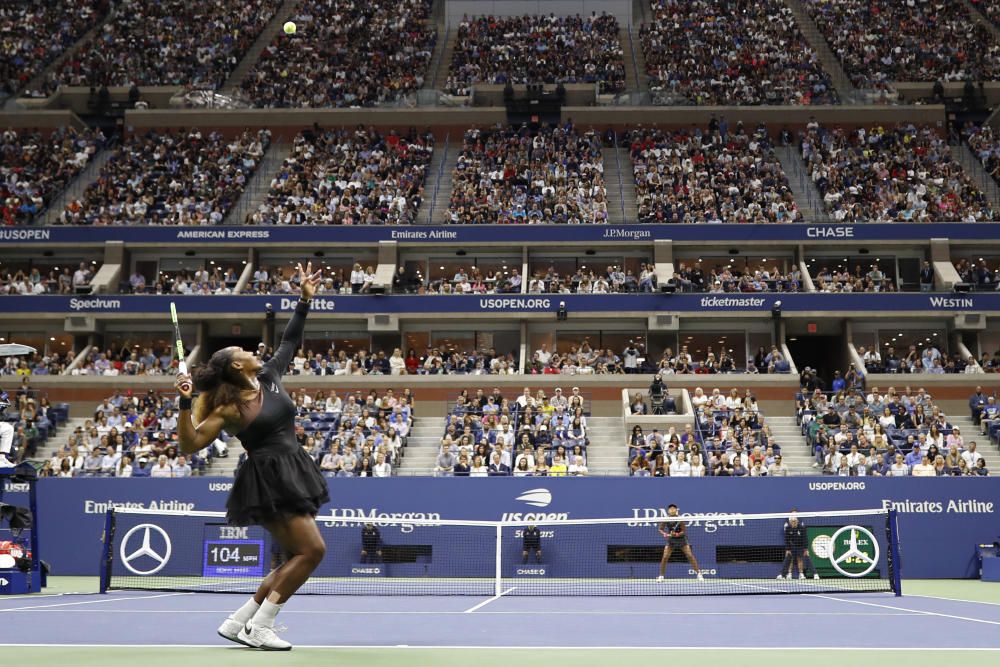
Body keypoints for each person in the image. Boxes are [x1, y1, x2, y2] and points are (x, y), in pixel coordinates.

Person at [176, 262, 328, 651]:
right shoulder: (228, 411)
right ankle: (261, 626)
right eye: (242, 350)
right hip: (269, 478)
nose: (251, 350)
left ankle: (238, 621)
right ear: (236, 366)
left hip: (294, 467)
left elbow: (290, 342)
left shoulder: (270, 377)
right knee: (313, 551)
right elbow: (190, 445)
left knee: (297, 554)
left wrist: (304, 302)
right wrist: (183, 403)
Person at [656, 504, 704, 582]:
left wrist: (677, 534)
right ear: (668, 511)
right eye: (670, 509)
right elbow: (660, 529)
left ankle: (699, 574)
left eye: (673, 508)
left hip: (682, 539)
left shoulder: (680, 519)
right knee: (665, 557)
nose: (672, 510)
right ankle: (661, 576)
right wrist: (665, 534)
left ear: (676, 510)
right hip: (671, 540)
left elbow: (684, 531)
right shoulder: (665, 519)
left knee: (689, 555)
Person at [778, 511, 819, 580]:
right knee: (788, 559)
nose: (793, 523)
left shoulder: (802, 528)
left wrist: (805, 549)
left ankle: (814, 574)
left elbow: (805, 539)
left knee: (805, 558)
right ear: (790, 522)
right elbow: (787, 539)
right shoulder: (788, 528)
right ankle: (784, 574)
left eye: (794, 521)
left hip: (800, 547)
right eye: (792, 521)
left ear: (797, 521)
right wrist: (788, 549)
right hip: (791, 547)